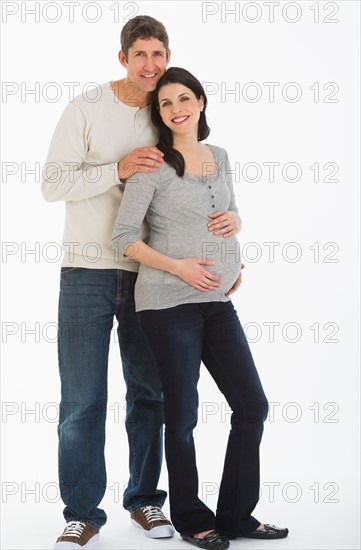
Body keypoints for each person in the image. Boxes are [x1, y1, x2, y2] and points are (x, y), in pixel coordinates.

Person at [112, 67, 289, 549]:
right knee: (183, 414)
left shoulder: (221, 156)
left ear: (201, 102)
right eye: (166, 103)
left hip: (217, 302)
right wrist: (180, 268)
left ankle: (235, 516)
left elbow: (228, 214)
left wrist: (237, 221)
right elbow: (125, 237)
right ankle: (192, 518)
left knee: (252, 405)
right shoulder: (152, 165)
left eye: (184, 98)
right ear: (160, 114)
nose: (176, 108)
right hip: (168, 304)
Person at [42, 15, 180, 550]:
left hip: (150, 272)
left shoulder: (169, 110)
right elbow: (52, 185)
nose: (151, 65)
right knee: (82, 399)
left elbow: (190, 191)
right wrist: (116, 170)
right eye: (141, 54)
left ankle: (145, 502)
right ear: (122, 57)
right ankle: (81, 513)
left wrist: (222, 256)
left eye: (159, 54)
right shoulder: (86, 108)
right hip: (86, 270)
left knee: (150, 394)